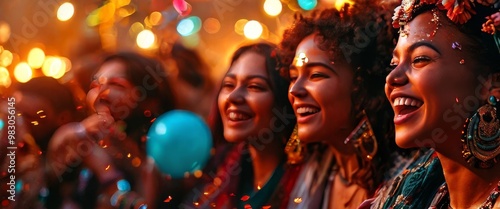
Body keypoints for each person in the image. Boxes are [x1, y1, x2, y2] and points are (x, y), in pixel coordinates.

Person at [368, 0, 500, 208]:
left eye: (420, 59)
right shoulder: (402, 198)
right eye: (394, 64)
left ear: (491, 83)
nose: (392, 78)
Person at [278, 1, 405, 208]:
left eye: (316, 75)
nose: (295, 90)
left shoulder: (407, 181)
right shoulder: (308, 177)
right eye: (293, 77)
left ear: (361, 85)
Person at [47, 52, 176, 209]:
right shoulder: (76, 138)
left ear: (151, 102)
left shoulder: (158, 161)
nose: (100, 93)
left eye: (117, 85)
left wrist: (107, 174)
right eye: (95, 85)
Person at [183, 42, 297, 209]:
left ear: (284, 100)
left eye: (255, 86)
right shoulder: (223, 170)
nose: (233, 97)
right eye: (228, 85)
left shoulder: (303, 184)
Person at [0, 76, 81, 209]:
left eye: (30, 117)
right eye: (14, 112)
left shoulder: (73, 159)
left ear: (63, 118)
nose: (17, 123)